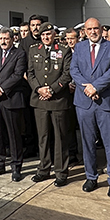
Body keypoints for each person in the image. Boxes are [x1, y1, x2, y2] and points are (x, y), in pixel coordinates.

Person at [71, 18, 110, 198]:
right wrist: (87, 88)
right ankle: (91, 177)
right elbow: (74, 70)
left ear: (102, 30)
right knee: (87, 142)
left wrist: (96, 87)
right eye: (89, 29)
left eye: (96, 28)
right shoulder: (79, 48)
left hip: (106, 101)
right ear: (85, 31)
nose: (93, 32)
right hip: (84, 102)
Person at [27, 23, 73, 186]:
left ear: (54, 34)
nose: (46, 37)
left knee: (60, 138)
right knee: (43, 136)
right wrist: (39, 89)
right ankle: (44, 169)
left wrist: (51, 90)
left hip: (58, 99)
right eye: (43, 35)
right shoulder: (34, 50)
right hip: (39, 100)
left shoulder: (64, 50)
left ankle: (61, 172)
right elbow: (30, 73)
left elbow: (67, 74)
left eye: (49, 34)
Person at [0, 28, 27, 181]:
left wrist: (2, 88)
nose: (3, 41)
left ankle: (16, 167)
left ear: (12, 39)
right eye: (1, 38)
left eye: (6, 38)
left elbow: (17, 74)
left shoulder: (19, 54)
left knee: (13, 135)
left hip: (11, 99)